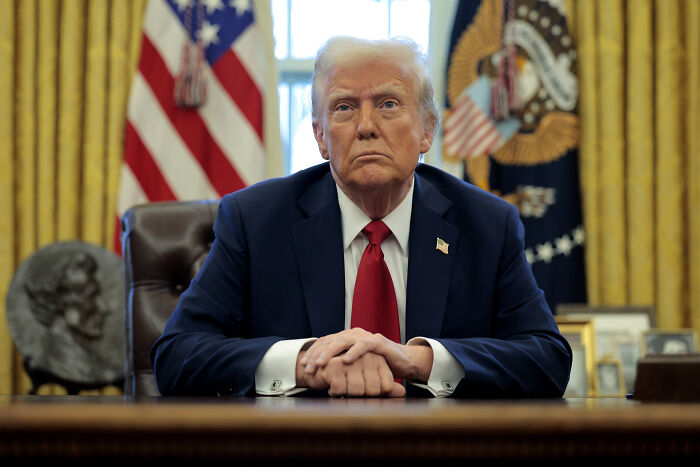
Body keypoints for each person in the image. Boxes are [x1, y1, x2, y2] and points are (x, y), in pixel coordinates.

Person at [151, 36, 572, 398]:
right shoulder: (255, 220)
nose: (366, 126)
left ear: (427, 129)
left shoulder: (487, 224)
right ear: (320, 136)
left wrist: (417, 360)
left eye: (388, 104)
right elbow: (176, 355)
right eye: (344, 108)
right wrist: (307, 363)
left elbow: (546, 358)